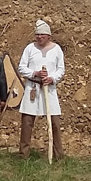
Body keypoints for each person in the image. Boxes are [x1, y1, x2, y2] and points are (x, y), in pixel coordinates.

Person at [18, 19, 65, 160]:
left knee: (55, 123)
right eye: (37, 35)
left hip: (49, 89)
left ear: (48, 36)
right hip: (32, 88)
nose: (39, 37)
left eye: (42, 35)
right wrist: (35, 73)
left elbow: (61, 69)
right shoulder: (30, 48)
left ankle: (58, 155)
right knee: (27, 123)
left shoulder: (56, 49)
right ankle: (23, 155)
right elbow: (21, 67)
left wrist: (52, 78)